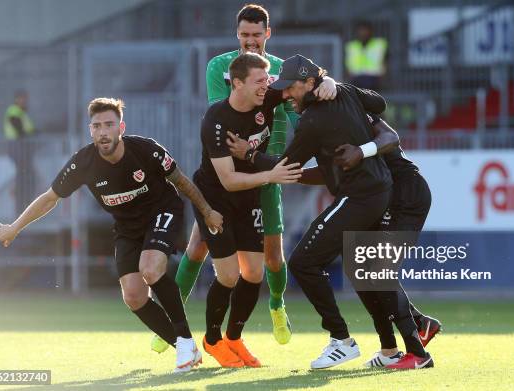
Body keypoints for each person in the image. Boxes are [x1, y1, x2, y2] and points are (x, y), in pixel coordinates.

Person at [227, 54, 434, 370]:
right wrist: (332, 83)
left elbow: (288, 166)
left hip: (395, 192)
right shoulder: (345, 95)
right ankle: (394, 348)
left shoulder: (317, 117)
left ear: (311, 83)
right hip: (380, 190)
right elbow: (376, 105)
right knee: (363, 269)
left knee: (333, 265)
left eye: (290, 88)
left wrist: (249, 154)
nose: (285, 95)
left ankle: (361, 343)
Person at [156, 3, 337, 353]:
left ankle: (277, 306)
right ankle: (172, 323)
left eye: (256, 35)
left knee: (272, 256)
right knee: (197, 246)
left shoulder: (282, 69)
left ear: (267, 34)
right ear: (236, 35)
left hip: (266, 170)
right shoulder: (219, 67)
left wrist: (325, 81)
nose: (251, 42)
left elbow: (305, 97)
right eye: (244, 35)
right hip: (225, 167)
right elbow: (223, 111)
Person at [0, 97, 224, 373]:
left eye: (109, 125)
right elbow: (49, 198)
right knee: (134, 296)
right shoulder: (83, 163)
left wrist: (208, 211)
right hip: (127, 226)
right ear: (90, 131)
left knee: (150, 269)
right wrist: (15, 227)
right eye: (97, 126)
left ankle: (185, 340)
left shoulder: (146, 150)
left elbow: (182, 182)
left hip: (163, 211)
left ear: (121, 128)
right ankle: (185, 348)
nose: (103, 131)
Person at [193, 53, 309, 368]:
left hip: (249, 196)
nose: (266, 86)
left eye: (268, 80)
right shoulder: (216, 119)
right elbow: (228, 180)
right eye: (260, 81)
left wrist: (325, 83)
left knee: (254, 273)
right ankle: (212, 340)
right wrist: (270, 175)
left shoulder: (266, 97)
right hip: (216, 198)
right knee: (229, 275)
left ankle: (234, 339)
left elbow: (303, 84)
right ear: (238, 83)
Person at [313, 114, 442, 369]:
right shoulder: (327, 116)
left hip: (405, 194)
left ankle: (418, 355)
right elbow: (331, 171)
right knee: (359, 268)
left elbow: (391, 138)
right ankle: (393, 347)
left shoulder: (347, 106)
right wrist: (278, 172)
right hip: (383, 198)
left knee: (379, 271)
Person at [4, 90, 36, 213]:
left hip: (21, 147)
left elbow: (30, 130)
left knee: (25, 173)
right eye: (21, 99)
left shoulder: (22, 113)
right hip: (17, 146)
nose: (24, 101)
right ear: (17, 99)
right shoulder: (14, 110)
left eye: (25, 99)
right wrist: (27, 135)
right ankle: (21, 202)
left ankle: (24, 199)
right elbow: (18, 127)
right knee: (24, 174)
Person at [345, 21, 388, 91]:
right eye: (361, 30)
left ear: (371, 31)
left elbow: (385, 62)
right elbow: (348, 64)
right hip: (356, 79)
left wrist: (383, 78)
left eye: (365, 30)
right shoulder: (352, 46)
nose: (363, 33)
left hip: (374, 79)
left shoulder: (379, 44)